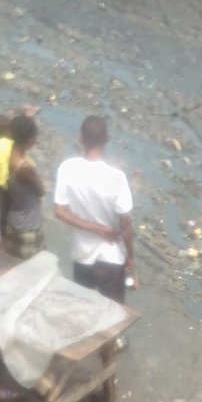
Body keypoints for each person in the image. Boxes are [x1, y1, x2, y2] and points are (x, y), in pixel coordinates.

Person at [53, 115, 135, 305]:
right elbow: (126, 226)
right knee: (113, 315)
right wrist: (130, 257)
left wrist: (94, 228)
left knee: (83, 310)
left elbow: (60, 211)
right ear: (107, 138)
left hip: (82, 256)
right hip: (112, 258)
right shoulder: (117, 177)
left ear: (81, 138)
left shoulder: (67, 168)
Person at [1, 115, 45, 261]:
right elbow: (41, 190)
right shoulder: (25, 168)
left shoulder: (7, 157)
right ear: (30, 140)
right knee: (31, 270)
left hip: (13, 222)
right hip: (28, 228)